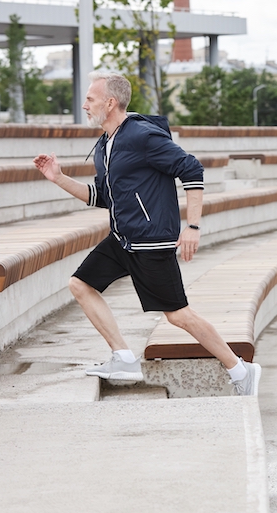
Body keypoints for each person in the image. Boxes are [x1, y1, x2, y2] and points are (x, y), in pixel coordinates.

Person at [33, 71, 260, 396]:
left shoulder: (141, 136)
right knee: (80, 284)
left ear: (110, 103)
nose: (84, 105)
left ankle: (241, 371)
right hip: (123, 238)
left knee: (178, 316)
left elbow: (192, 169)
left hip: (151, 241)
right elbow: (103, 198)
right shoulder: (105, 144)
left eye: (90, 99)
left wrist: (192, 226)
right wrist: (58, 178)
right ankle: (123, 357)